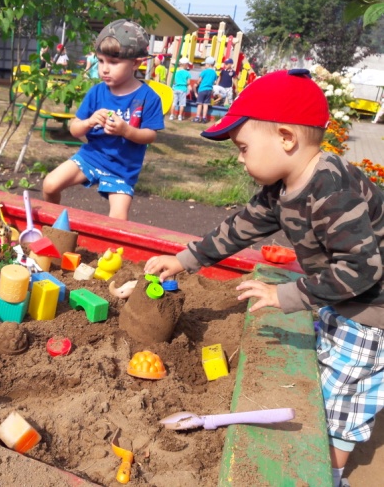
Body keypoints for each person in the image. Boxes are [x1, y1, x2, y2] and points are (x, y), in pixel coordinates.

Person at [144, 69, 384, 487]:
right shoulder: (283, 187)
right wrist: (184, 260)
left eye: (243, 148)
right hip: (340, 297)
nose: (240, 158)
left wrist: (288, 294)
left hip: (370, 312)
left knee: (338, 402)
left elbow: (362, 269)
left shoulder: (331, 186)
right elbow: (241, 226)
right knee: (326, 370)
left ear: (286, 138)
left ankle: (327, 474)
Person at [42, 19, 164, 221]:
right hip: (91, 157)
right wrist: (89, 122)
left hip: (122, 169)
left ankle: (109, 252)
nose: (104, 69)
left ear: (136, 63)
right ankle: (53, 225)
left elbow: (150, 135)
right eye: (101, 61)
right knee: (49, 184)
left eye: (113, 63)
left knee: (117, 220)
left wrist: (126, 131)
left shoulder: (148, 98)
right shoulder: (97, 92)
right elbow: (75, 129)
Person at [192, 56, 218, 123]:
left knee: (200, 104)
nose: (204, 66)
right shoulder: (214, 73)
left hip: (202, 89)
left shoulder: (204, 72)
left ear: (209, 64)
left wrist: (196, 84)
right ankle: (204, 118)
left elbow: (199, 80)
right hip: (209, 90)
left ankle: (197, 117)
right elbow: (215, 82)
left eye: (205, 64)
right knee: (206, 104)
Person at [170, 57, 192, 121]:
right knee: (182, 104)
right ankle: (180, 116)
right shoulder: (188, 73)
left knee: (174, 103)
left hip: (176, 88)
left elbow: (175, 81)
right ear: (185, 65)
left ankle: (171, 115)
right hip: (183, 89)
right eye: (187, 64)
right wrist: (189, 86)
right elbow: (188, 82)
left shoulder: (177, 72)